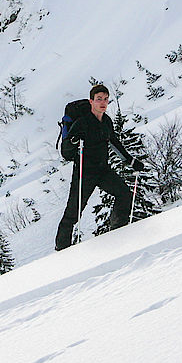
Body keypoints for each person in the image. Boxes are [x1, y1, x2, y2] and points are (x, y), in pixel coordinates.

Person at [55, 84, 146, 251]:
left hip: (103, 170)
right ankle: (61, 251)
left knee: (124, 194)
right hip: (84, 172)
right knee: (73, 214)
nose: (102, 103)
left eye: (105, 99)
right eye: (99, 99)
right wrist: (72, 142)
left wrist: (131, 161)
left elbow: (114, 143)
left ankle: (118, 233)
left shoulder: (106, 121)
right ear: (91, 101)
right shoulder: (82, 123)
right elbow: (66, 153)